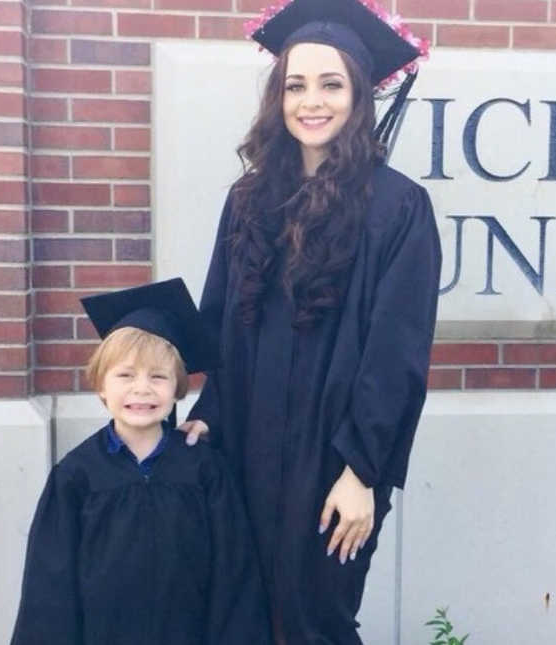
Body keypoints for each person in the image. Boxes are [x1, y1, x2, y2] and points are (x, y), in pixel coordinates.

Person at [181, 0, 442, 642]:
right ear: (279, 96)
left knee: (314, 621)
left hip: (332, 458)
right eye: (296, 85)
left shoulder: (399, 207)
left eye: (331, 84)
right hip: (243, 445)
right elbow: (222, 320)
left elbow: (396, 357)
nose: (311, 101)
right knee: (237, 614)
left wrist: (362, 473)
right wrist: (207, 413)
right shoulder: (248, 200)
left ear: (359, 95)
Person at [10, 278, 271, 645]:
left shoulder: (205, 471)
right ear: (102, 386)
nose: (142, 389)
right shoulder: (76, 476)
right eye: (126, 375)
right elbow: (49, 592)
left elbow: (234, 582)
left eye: (158, 377)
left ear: (178, 388)